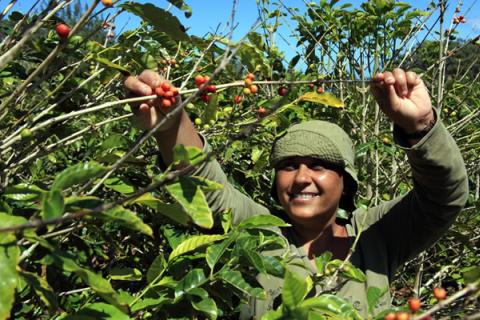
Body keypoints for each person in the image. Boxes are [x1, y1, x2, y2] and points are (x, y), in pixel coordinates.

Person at [124, 68, 468, 318]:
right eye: (288, 166)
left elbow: (444, 196)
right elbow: (206, 187)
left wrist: (420, 126)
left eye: (318, 166)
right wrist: (173, 125)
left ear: (345, 181)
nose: (301, 177)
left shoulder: (375, 235)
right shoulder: (260, 230)